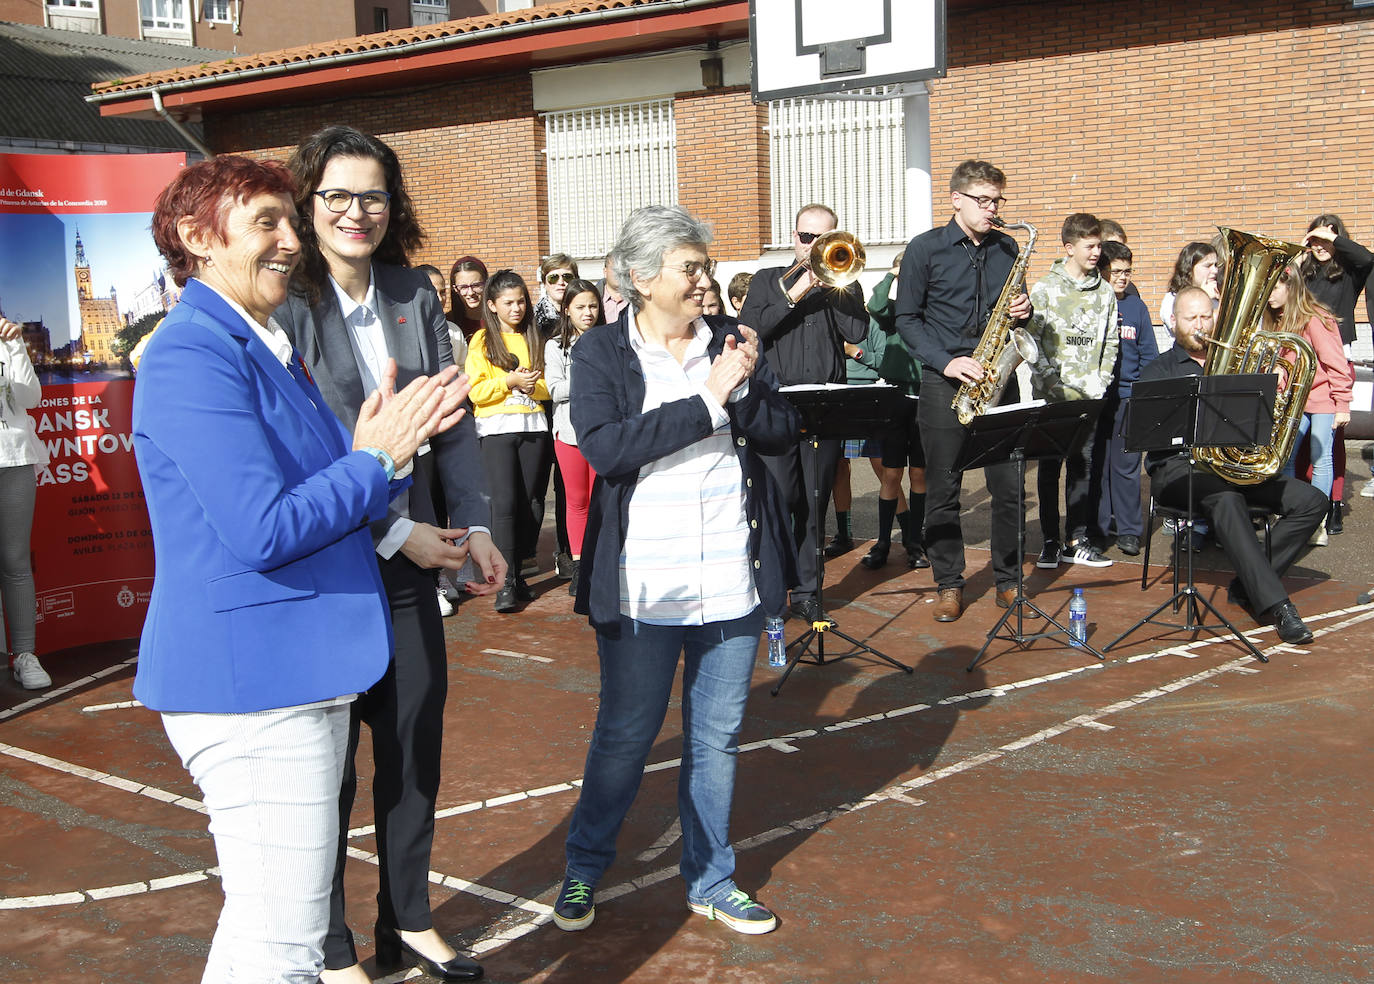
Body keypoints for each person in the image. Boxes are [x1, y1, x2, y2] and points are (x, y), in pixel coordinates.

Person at [133, 154, 464, 982]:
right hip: (256, 692)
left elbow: (322, 488)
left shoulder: (263, 344)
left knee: (266, 936)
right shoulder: (193, 353)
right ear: (194, 238)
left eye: (290, 220)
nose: (291, 241)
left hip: (292, 676)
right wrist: (374, 460)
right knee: (281, 950)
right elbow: (263, 528)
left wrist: (369, 454)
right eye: (266, 223)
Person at [275, 124, 500, 984]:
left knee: (412, 752)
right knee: (326, 771)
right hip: (328, 565)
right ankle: (331, 948)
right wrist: (390, 530)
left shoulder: (414, 293)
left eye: (372, 195)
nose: (355, 212)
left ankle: (407, 919)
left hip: (410, 568)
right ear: (308, 203)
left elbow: (453, 417)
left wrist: (477, 524)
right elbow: (301, 444)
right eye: (336, 195)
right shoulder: (286, 302)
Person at [552, 204, 799, 937]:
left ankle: (713, 879)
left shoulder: (730, 341)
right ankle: (583, 866)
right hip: (643, 586)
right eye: (690, 268)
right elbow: (608, 449)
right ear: (641, 276)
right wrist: (710, 398)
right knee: (626, 734)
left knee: (716, 739)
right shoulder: (599, 352)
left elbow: (781, 434)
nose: (705, 280)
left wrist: (747, 385)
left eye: (705, 266)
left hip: (730, 576)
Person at [1138, 286, 1327, 644]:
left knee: (1312, 502)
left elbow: (1257, 422)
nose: (1200, 325)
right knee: (1226, 498)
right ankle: (1278, 606)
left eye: (1206, 316)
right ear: (1174, 322)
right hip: (1179, 469)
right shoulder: (1157, 371)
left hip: (1229, 464)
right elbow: (1147, 437)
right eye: (1191, 318)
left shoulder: (1236, 364)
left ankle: (1249, 584)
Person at [895, 159, 1032, 623]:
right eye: (984, 200)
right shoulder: (924, 250)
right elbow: (906, 320)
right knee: (943, 489)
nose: (993, 209)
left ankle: (1008, 582)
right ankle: (949, 583)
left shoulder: (1008, 248)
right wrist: (946, 361)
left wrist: (1024, 309)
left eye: (998, 200)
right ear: (956, 199)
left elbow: (1018, 314)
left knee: (1010, 487)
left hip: (998, 377)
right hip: (945, 381)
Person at [739, 202, 867, 622]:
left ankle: (809, 590)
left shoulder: (843, 281)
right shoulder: (765, 281)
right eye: (804, 237)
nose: (810, 245)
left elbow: (856, 332)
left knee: (815, 503)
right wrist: (795, 294)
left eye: (820, 238)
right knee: (779, 499)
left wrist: (837, 286)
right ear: (793, 236)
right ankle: (772, 587)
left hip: (824, 409)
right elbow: (752, 330)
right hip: (776, 408)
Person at [1025, 212, 1118, 569]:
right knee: (1050, 468)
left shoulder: (1105, 291)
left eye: (1098, 246)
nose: (1096, 252)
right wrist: (1053, 384)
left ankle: (1076, 539)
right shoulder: (1046, 288)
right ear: (1069, 247)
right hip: (1052, 398)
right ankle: (1049, 541)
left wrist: (1101, 380)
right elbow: (1031, 341)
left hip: (1089, 397)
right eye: (1090, 246)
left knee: (1082, 468)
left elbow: (1110, 340)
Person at [465, 269, 552, 612]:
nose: (516, 308)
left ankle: (518, 574)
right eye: (508, 303)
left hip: (533, 427)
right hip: (497, 430)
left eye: (520, 301)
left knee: (532, 503)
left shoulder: (534, 337)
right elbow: (476, 391)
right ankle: (504, 582)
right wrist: (510, 382)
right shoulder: (483, 341)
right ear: (492, 305)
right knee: (504, 506)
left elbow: (547, 385)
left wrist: (533, 386)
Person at [851, 250, 927, 570]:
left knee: (920, 474)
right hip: (896, 397)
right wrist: (892, 274)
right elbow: (876, 304)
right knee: (892, 473)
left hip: (926, 399)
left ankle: (915, 541)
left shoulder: (932, 312)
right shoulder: (894, 312)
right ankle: (883, 541)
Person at [1268, 264, 1353, 547]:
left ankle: (1316, 523)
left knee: (1321, 457)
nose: (1269, 295)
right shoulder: (1279, 319)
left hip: (1323, 399)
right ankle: (1289, 515)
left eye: (1275, 288)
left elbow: (1336, 363)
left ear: (1290, 287)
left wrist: (1342, 404)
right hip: (1295, 401)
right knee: (1287, 457)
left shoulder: (1316, 317)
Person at [1299, 215, 1372, 522]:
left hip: (1336, 362)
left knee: (1331, 440)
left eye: (1328, 239)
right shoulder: (1303, 273)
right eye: (1315, 240)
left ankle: (1334, 503)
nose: (1321, 246)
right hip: (1302, 361)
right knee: (1299, 438)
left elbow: (1367, 257)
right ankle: (1301, 501)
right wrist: (1300, 250)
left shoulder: (1349, 273)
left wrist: (1328, 236)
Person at [1089, 240, 1159, 556]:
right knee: (1099, 465)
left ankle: (1130, 530)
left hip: (1128, 398)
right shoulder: (1091, 303)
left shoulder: (1136, 307)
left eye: (1127, 271)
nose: (1123, 278)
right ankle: (1100, 529)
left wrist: (1142, 395)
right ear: (1102, 271)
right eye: (1116, 271)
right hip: (1096, 398)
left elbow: (1148, 355)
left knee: (1127, 466)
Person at [543, 278, 602, 594]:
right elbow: (555, 389)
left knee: (600, 501)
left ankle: (599, 562)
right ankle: (579, 566)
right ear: (567, 310)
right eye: (580, 307)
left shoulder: (610, 341)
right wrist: (590, 378)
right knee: (577, 502)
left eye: (593, 306)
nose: (588, 313)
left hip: (603, 434)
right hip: (569, 434)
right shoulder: (556, 346)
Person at [0, 314, 49, 690]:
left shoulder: (7, 339)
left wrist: (15, 346)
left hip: (13, 458)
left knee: (15, 561)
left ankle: (25, 655)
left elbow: (31, 398)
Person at [1158, 241, 1219, 353]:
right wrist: (1203, 297)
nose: (1215, 270)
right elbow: (1182, 331)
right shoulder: (1171, 299)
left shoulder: (1216, 297)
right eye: (1207, 266)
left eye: (1215, 265)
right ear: (1190, 269)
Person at [534, 252, 579, 339]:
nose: (561, 282)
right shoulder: (533, 319)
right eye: (553, 278)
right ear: (544, 283)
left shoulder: (585, 313)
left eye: (567, 277)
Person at [448, 255, 488, 342]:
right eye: (463, 287)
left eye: (476, 285)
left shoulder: (500, 319)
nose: (470, 293)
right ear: (455, 289)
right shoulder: (447, 324)